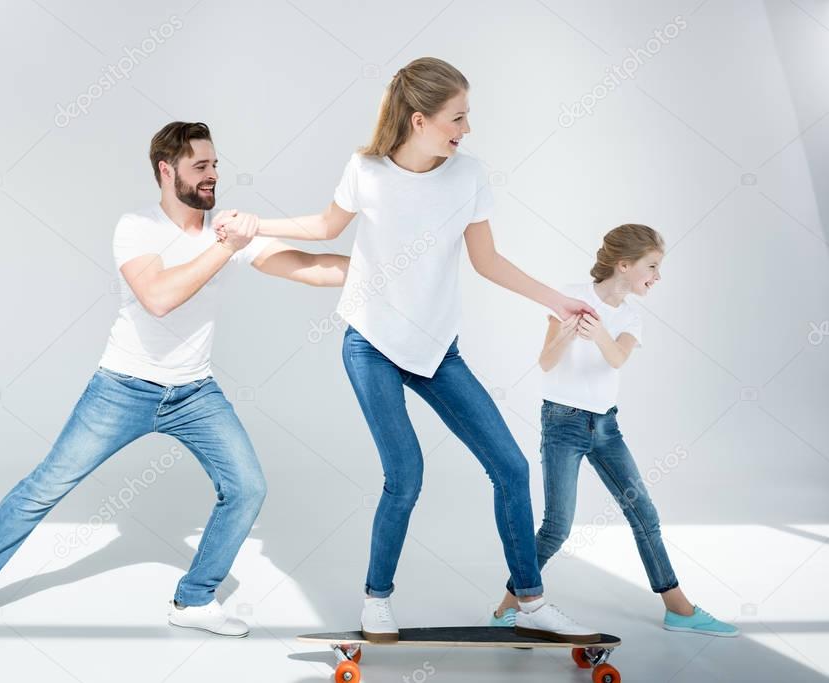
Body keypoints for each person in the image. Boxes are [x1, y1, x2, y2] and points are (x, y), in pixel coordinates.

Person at [218, 57, 601, 644]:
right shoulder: (365, 170)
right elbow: (324, 228)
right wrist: (254, 225)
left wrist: (557, 302)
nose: (466, 129)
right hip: (370, 344)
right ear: (419, 120)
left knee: (511, 467)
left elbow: (487, 261)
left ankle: (529, 601)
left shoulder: (468, 175)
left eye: (467, 117)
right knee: (406, 475)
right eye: (458, 117)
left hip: (437, 351)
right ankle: (377, 599)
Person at [0, 121, 349, 639]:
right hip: (122, 387)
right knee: (45, 486)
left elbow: (308, 265)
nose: (213, 176)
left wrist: (382, 267)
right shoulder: (137, 227)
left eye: (215, 164)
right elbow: (160, 298)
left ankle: (193, 601)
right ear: (167, 172)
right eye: (201, 166)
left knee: (247, 486)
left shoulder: (226, 228)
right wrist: (226, 245)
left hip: (195, 393)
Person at [489, 224, 739, 637]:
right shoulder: (570, 295)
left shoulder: (631, 316)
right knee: (557, 527)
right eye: (652, 267)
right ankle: (505, 609)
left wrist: (599, 331)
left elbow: (618, 358)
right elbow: (547, 363)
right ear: (624, 265)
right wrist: (568, 332)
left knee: (644, 515)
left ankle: (678, 608)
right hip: (562, 424)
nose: (657, 277)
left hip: (606, 427)